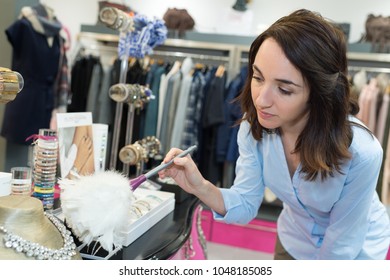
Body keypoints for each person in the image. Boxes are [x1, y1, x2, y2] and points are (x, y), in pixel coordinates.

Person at [158, 9, 390, 260]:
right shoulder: (253, 129)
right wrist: (200, 186)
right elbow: (246, 202)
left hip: (357, 252)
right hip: (294, 238)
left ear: (318, 93)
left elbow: (342, 245)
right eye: (257, 77)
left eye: (284, 89)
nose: (261, 100)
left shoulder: (362, 152)